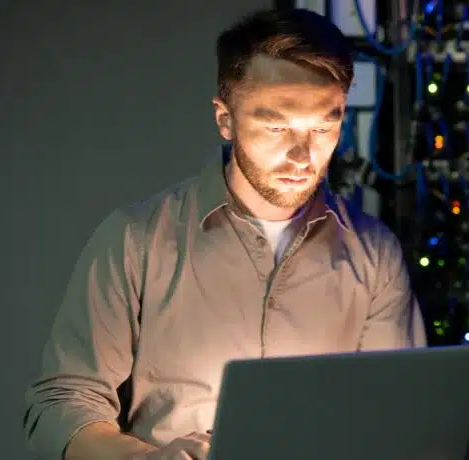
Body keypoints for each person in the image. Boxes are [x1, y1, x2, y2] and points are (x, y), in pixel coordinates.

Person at [23, 7, 426, 460]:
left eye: (323, 127)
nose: (302, 155)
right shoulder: (136, 240)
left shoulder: (374, 255)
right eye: (276, 127)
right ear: (225, 118)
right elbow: (61, 404)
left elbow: (397, 417)